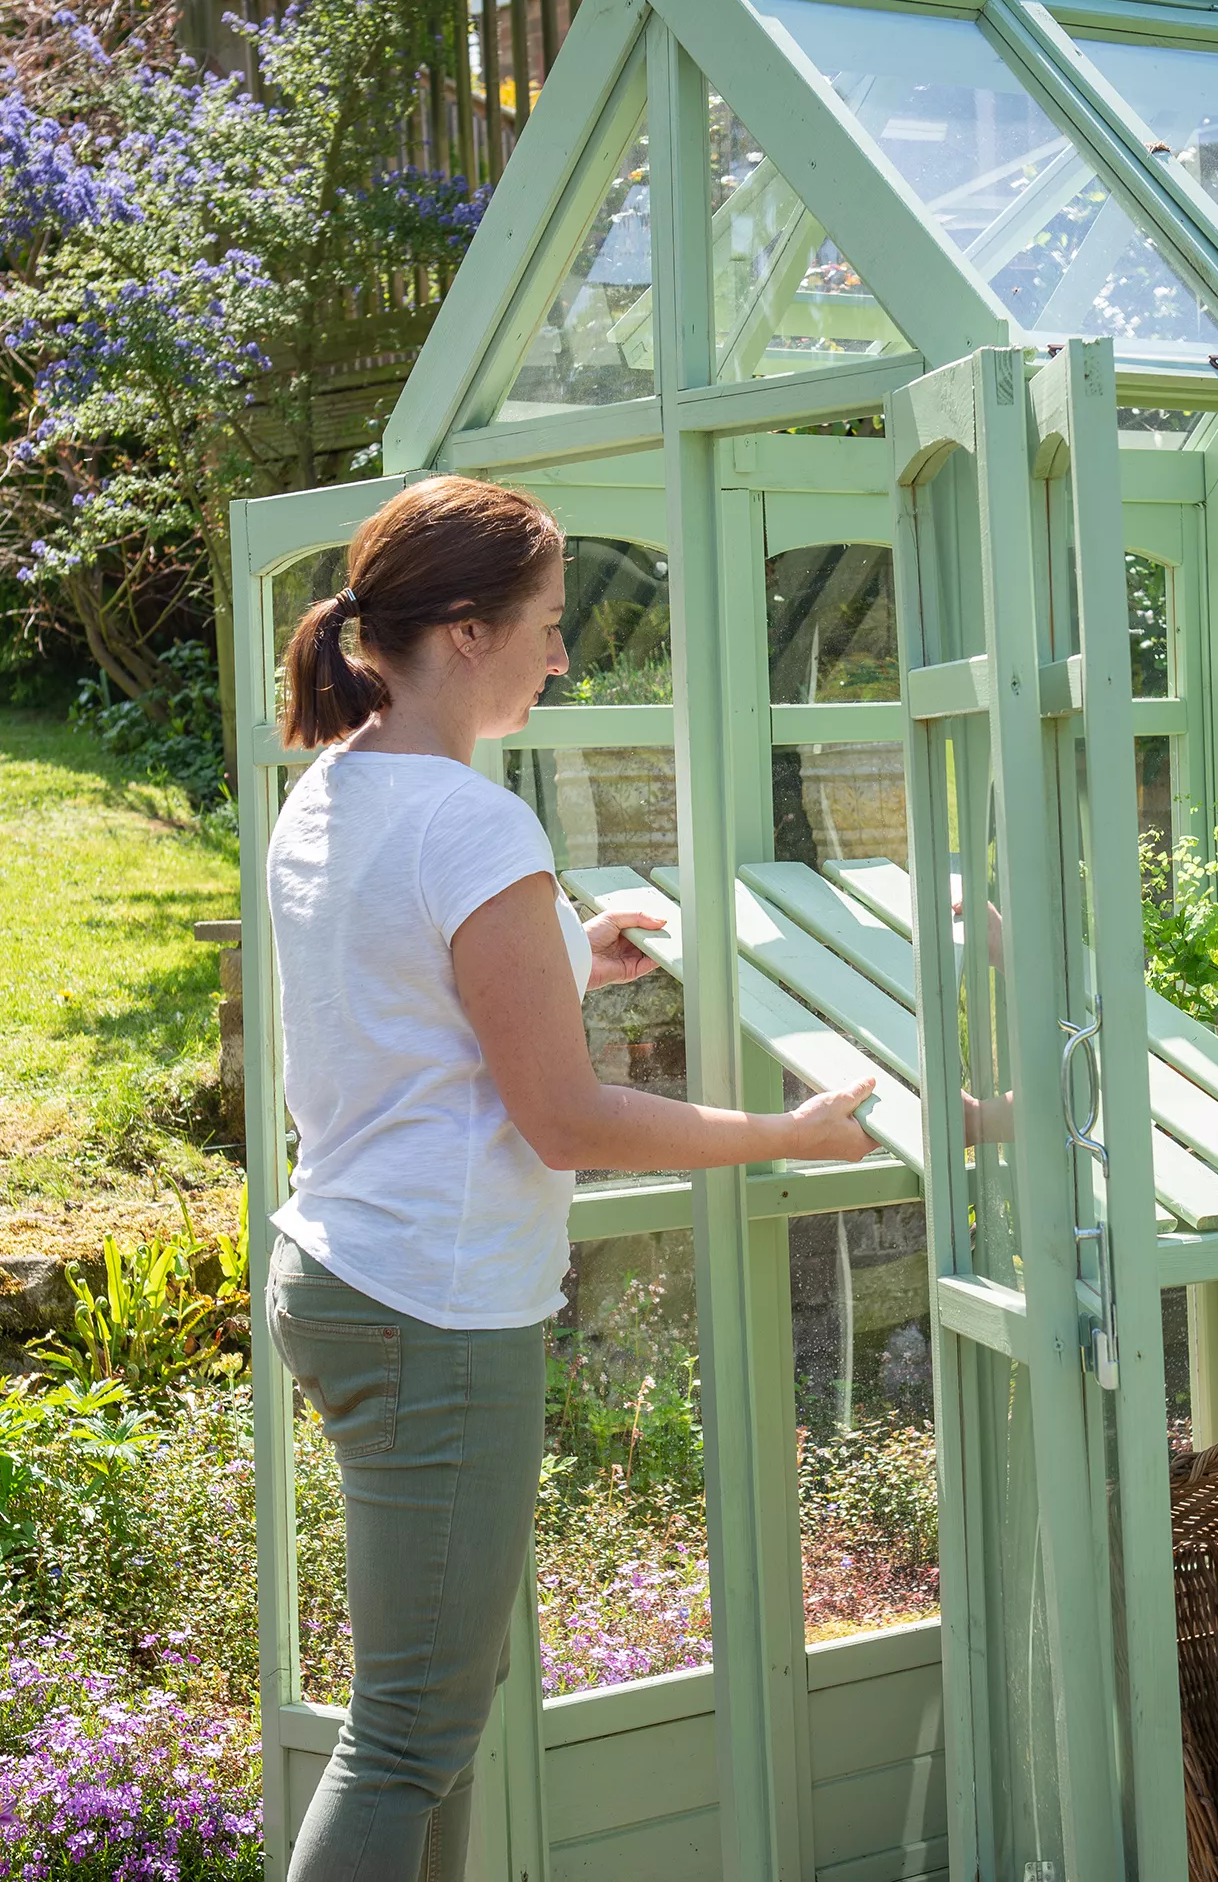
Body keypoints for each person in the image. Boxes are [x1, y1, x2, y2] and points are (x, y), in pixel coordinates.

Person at [263, 476, 875, 1881]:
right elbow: (566, 1123)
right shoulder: (474, 828)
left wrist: (557, 954)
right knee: (408, 1738)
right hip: (436, 1307)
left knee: (433, 1727)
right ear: (465, 634)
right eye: (545, 626)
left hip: (355, 1273)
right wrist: (788, 1134)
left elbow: (406, 993)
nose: (562, 655)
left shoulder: (339, 787)